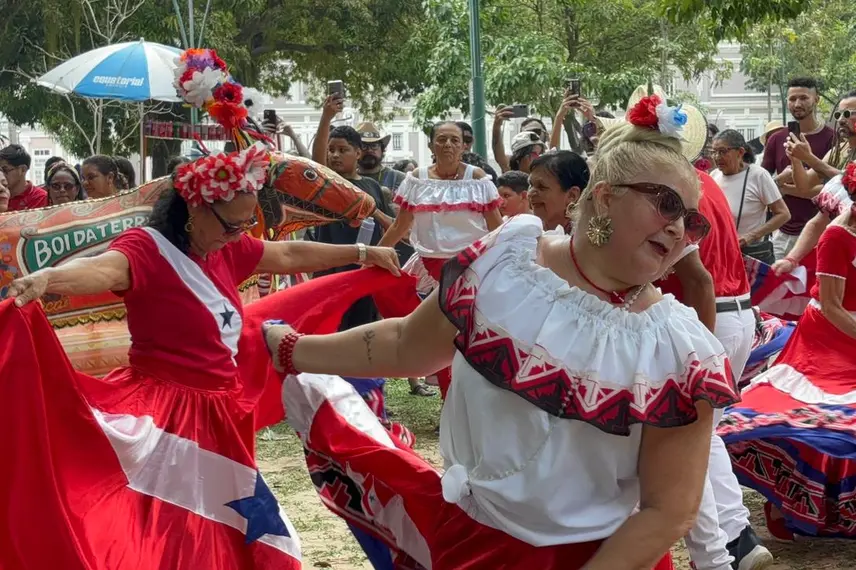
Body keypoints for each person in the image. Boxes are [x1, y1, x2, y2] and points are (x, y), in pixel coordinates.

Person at [262, 96, 735, 570]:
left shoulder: (675, 344)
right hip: (471, 544)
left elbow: (669, 511)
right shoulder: (505, 263)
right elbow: (408, 344)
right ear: (607, 194)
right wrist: (293, 349)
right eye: (667, 205)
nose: (678, 230)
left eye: (691, 222)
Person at [0, 142, 400, 569]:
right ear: (197, 208)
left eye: (246, 224)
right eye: (232, 224)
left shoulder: (226, 247)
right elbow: (104, 268)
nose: (239, 234)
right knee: (196, 529)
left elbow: (285, 253)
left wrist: (361, 254)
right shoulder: (147, 247)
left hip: (219, 411)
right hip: (168, 415)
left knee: (221, 529)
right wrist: (48, 278)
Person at [718, 162, 856, 541]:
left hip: (850, 333)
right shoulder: (837, 237)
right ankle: (782, 496)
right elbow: (832, 306)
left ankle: (828, 503)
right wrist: (793, 259)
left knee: (840, 424)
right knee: (809, 417)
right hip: (826, 340)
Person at [658, 170, 774, 570]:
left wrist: (701, 355)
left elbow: (697, 277)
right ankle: (737, 538)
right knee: (704, 435)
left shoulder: (666, 185)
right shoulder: (703, 179)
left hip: (706, 315)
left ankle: (717, 553)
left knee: (686, 442)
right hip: (736, 312)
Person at [377, 121, 502, 398]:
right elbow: (399, 227)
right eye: (442, 139)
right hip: (430, 267)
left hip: (471, 267)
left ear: (464, 145)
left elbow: (496, 228)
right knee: (441, 337)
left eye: (454, 140)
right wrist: (374, 255)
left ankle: (469, 401)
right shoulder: (417, 179)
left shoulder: (478, 178)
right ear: (431, 145)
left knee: (467, 336)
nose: (448, 145)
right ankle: (449, 402)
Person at [761, 77, 835, 259]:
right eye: (792, 99)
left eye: (803, 98)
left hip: (820, 231)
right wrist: (780, 181)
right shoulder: (776, 139)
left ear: (816, 99)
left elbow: (829, 191)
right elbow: (762, 184)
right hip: (781, 232)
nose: (797, 103)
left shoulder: (832, 139)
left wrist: (784, 188)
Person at [711, 129, 790, 265]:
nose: (717, 157)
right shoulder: (713, 176)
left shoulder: (758, 175)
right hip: (719, 255)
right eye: (714, 152)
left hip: (749, 256)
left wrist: (751, 236)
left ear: (740, 152)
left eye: (723, 151)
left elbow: (783, 214)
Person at [527, 150, 589, 232]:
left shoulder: (587, 239)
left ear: (572, 195)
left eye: (541, 187)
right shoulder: (524, 232)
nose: (530, 193)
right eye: (531, 185)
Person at [492, 108, 549, 172]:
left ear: (546, 135)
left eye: (536, 131)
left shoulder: (550, 163)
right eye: (526, 133)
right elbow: (500, 158)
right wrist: (497, 125)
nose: (532, 134)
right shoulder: (514, 165)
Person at [356, 122, 406, 192]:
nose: (369, 150)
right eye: (363, 146)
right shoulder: (346, 180)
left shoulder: (399, 179)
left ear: (382, 149)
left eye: (374, 146)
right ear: (355, 151)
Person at [0, 144, 47, 211]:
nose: (2, 174)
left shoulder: (40, 198)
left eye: (5, 170)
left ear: (23, 170)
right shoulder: (2, 195)